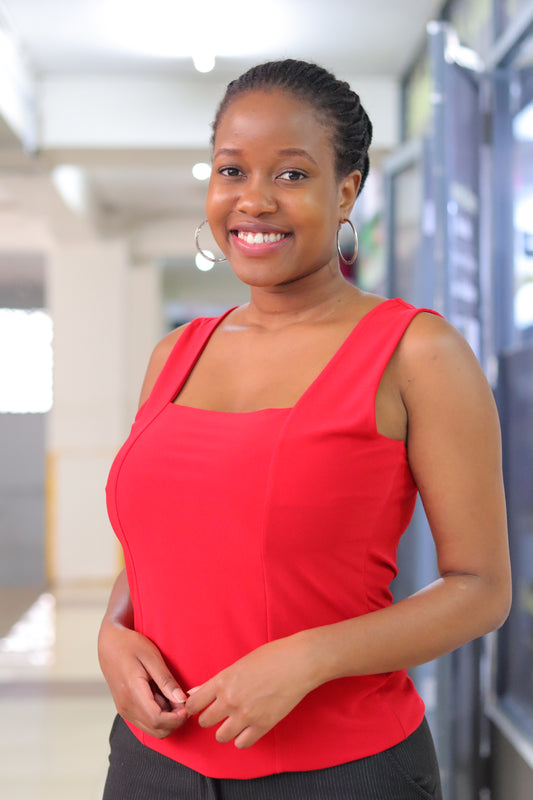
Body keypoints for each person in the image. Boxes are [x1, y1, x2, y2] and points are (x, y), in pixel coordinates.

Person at [98, 59, 511, 800]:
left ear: (345, 189)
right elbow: (153, 541)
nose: (253, 200)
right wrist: (111, 632)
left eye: (291, 175)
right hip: (149, 765)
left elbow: (479, 589)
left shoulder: (415, 351)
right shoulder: (176, 354)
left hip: (341, 772)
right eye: (232, 170)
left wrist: (306, 659)